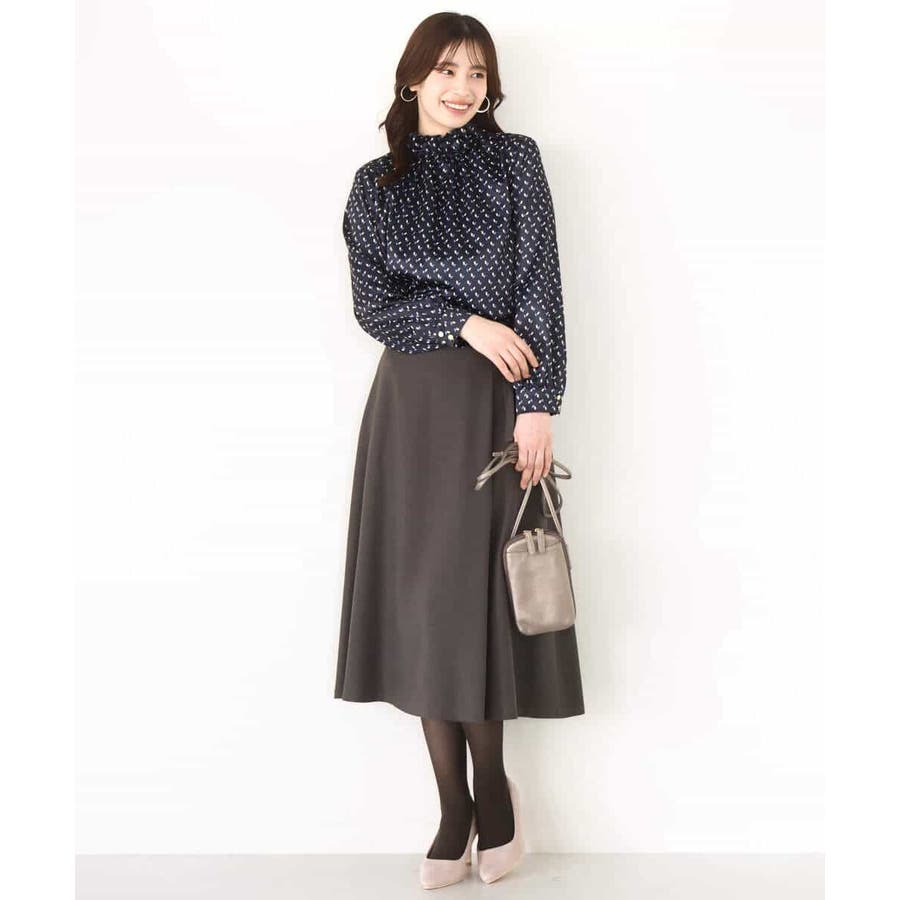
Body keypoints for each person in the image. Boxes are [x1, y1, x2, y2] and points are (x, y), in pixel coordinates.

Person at [332, 13, 585, 888]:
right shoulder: (375, 185)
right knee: (423, 602)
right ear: (413, 78)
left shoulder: (515, 162)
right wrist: (466, 322)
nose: (462, 87)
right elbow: (374, 304)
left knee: (479, 599)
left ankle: (496, 797)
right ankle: (454, 805)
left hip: (493, 408)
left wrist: (537, 406)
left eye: (477, 73)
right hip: (410, 410)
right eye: (446, 70)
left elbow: (540, 286)